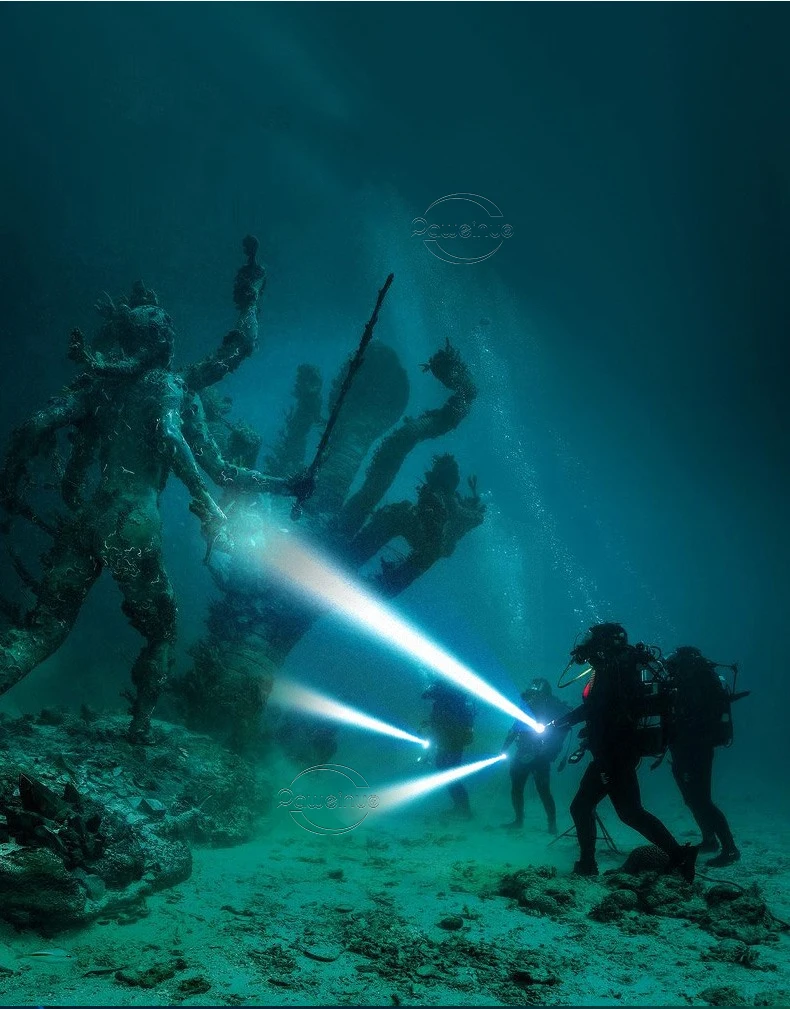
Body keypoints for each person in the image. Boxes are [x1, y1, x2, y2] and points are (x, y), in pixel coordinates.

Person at [552, 623, 698, 880]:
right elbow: (604, 710)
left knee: (606, 809)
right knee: (621, 811)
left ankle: (589, 865)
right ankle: (677, 856)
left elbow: (595, 708)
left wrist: (561, 722)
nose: (585, 646)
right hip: (616, 751)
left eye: (590, 640)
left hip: (614, 753)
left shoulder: (615, 668)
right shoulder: (616, 666)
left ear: (605, 643)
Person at [665, 646, 741, 867]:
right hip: (687, 747)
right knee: (692, 798)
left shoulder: (695, 679)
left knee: (701, 800)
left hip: (696, 747)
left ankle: (730, 849)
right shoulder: (694, 678)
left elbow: (691, 715)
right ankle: (709, 840)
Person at [501, 678, 570, 833]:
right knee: (517, 788)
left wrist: (546, 749)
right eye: (531, 694)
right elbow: (515, 728)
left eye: (536, 694)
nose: (533, 697)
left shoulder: (552, 709)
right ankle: (519, 820)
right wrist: (504, 749)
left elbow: (560, 730)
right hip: (523, 752)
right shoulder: (526, 707)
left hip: (540, 756)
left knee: (543, 790)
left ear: (544, 695)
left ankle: (552, 825)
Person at [422, 682, 475, 819]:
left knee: (451, 775)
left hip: (451, 743)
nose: (431, 697)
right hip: (449, 742)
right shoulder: (446, 702)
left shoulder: (445, 703)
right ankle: (460, 807)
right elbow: (443, 722)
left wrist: (433, 726)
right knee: (447, 772)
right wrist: (430, 724)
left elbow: (445, 722)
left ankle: (465, 810)